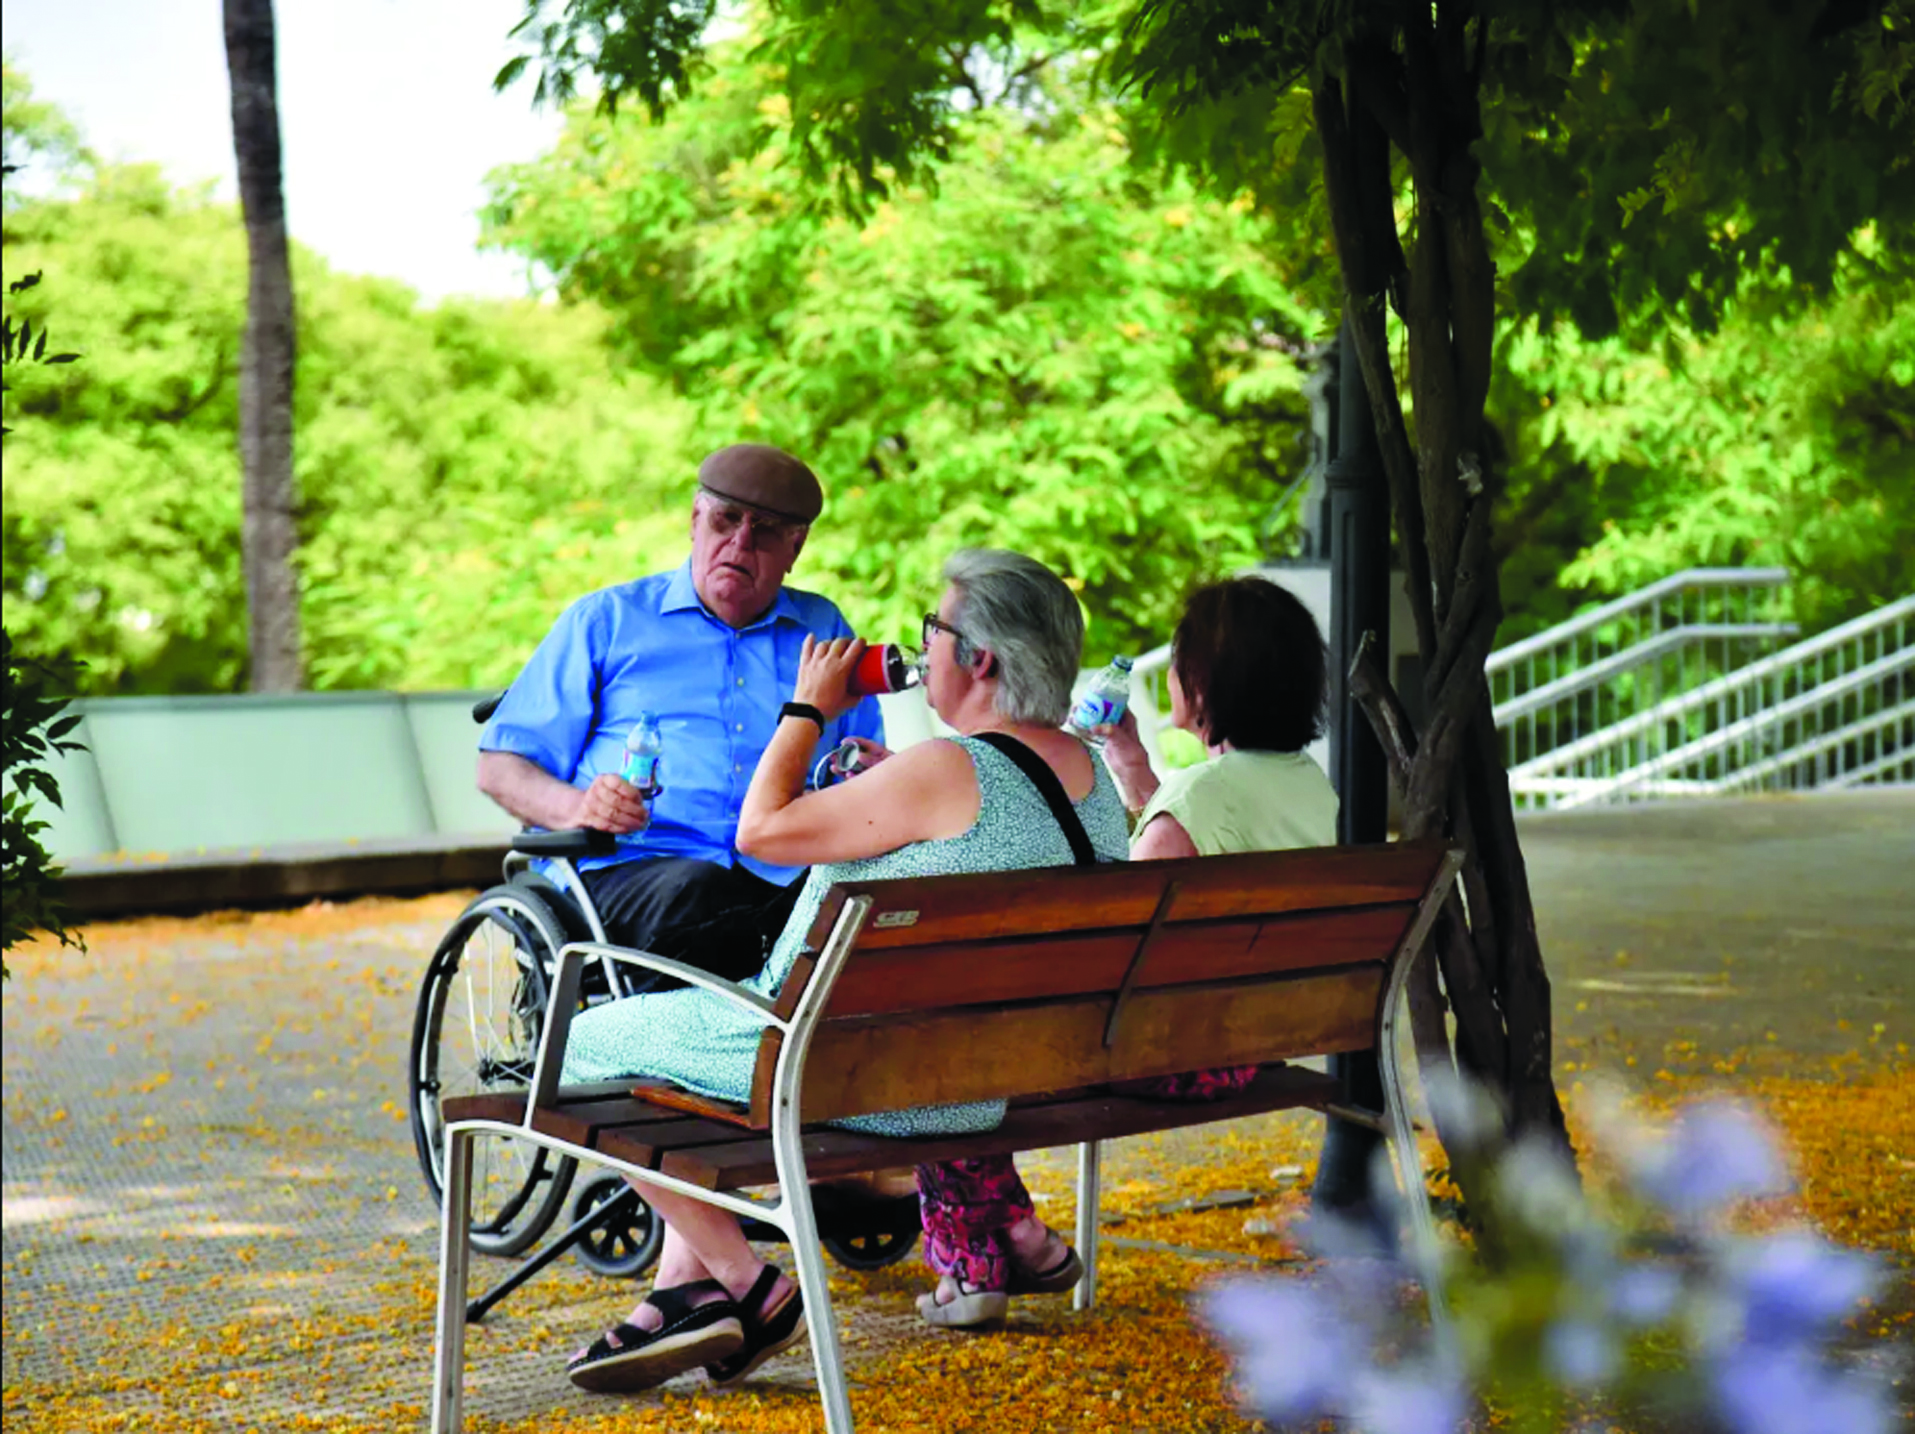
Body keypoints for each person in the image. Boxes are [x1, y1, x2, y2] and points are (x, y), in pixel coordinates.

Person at [557, 549, 1129, 1395]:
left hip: (831, 1068)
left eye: (935, 628)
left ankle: (748, 1286)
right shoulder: (1091, 780)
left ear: (980, 659)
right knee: (655, 1050)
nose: (920, 644)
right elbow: (966, 832)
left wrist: (805, 709)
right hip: (993, 1077)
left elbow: (759, 832)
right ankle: (686, 1288)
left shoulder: (945, 768)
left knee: (576, 1046)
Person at [912, 575, 1338, 1329]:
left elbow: (1114, 955)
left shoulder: (1197, 802)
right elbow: (1197, 845)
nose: (1167, 673)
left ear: (1203, 682)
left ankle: (983, 1258)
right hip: (1262, 1037)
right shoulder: (1314, 789)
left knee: (945, 1052)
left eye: (1177, 658)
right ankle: (1016, 1237)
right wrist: (1138, 776)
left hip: (1173, 1057)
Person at [476, 444, 884, 988]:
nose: (740, 543)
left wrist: (867, 775)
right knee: (703, 895)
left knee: (882, 906)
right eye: (725, 520)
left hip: (785, 873)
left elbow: (860, 768)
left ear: (796, 546)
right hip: (630, 866)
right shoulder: (608, 621)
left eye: (764, 531)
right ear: (695, 520)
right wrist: (580, 807)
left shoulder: (823, 631)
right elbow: (500, 767)